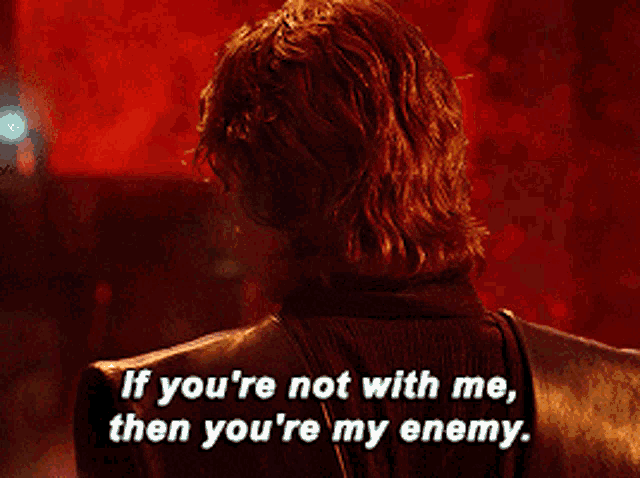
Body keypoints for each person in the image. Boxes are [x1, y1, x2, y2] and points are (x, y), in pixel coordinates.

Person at [73, 0, 640, 476]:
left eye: (224, 180)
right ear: (443, 157)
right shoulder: (621, 405)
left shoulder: (151, 412)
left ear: (251, 180)